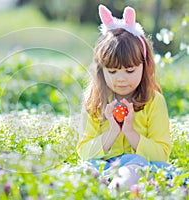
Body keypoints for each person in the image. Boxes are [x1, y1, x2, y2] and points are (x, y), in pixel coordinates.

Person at [76, 4, 172, 190]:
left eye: (130, 70)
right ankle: (111, 186)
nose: (121, 79)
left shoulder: (154, 101)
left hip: (140, 164)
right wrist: (113, 131)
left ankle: (117, 188)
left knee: (136, 168)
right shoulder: (94, 100)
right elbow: (84, 152)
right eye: (112, 71)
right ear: (100, 70)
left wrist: (129, 132)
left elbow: (162, 154)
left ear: (144, 66)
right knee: (84, 171)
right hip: (102, 165)